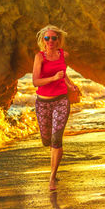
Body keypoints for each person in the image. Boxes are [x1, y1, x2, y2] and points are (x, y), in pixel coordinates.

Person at [32, 24, 78, 191]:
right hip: (43, 103)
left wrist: (71, 85)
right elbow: (35, 81)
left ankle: (52, 177)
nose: (50, 41)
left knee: (56, 139)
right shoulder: (40, 57)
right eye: (47, 38)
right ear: (43, 41)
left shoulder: (63, 55)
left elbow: (63, 73)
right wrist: (52, 78)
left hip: (61, 100)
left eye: (53, 38)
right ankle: (52, 166)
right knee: (47, 140)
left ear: (58, 40)